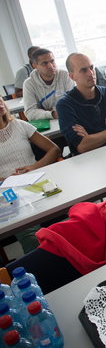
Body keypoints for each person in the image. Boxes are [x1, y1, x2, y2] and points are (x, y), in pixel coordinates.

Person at [0, 95, 61, 254]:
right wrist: (6, 179)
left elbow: (54, 149)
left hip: (36, 182)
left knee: (73, 209)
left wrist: (34, 167)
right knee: (30, 235)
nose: (0, 103)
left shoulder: (19, 125)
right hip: (8, 192)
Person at [22, 48, 75, 120]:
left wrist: (44, 111)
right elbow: (30, 113)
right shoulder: (29, 84)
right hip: (49, 124)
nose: (50, 66)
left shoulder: (65, 75)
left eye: (52, 61)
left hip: (69, 119)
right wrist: (52, 114)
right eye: (44, 63)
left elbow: (74, 103)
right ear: (35, 66)